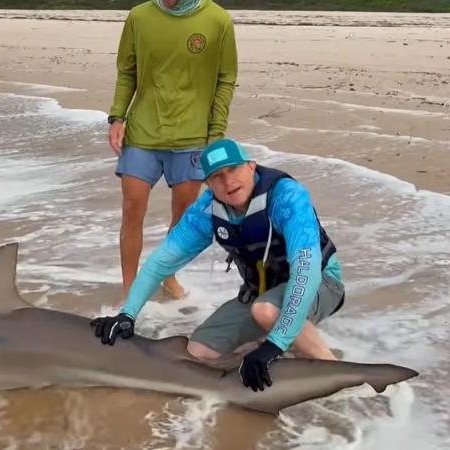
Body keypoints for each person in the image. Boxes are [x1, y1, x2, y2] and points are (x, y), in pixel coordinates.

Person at [91, 138, 346, 392]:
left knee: (267, 312)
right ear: (208, 184)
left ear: (251, 166)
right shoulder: (207, 212)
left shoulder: (287, 196)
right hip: (260, 293)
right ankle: (270, 350)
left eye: (233, 169)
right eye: (216, 176)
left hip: (321, 283)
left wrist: (275, 344)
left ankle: (337, 376)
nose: (227, 181)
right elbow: (159, 264)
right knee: (197, 352)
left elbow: (306, 271)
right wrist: (127, 314)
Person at [108, 0, 238, 301]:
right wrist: (117, 116)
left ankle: (169, 277)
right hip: (142, 133)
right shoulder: (139, 17)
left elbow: (225, 79)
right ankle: (130, 288)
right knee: (132, 209)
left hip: (192, 136)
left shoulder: (218, 20)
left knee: (182, 218)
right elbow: (127, 72)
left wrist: (215, 133)